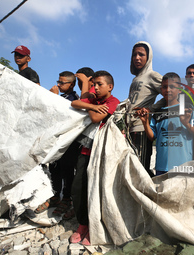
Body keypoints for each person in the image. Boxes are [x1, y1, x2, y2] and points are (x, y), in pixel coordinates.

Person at [70, 70, 120, 245]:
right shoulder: (93, 101)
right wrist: (91, 104)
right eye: (94, 84)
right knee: (79, 189)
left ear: (110, 87)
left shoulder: (113, 101)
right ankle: (83, 224)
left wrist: (91, 106)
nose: (95, 87)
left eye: (100, 84)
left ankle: (95, 227)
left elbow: (95, 118)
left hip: (102, 154)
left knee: (97, 191)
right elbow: (75, 102)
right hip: (85, 152)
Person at [35, 71, 80, 217]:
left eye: (62, 83)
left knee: (67, 170)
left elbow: (65, 114)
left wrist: (52, 98)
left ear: (71, 84)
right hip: (56, 141)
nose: (59, 85)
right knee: (54, 168)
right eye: (58, 82)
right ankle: (55, 195)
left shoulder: (74, 98)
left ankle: (66, 198)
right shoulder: (62, 97)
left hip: (68, 143)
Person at [137, 72, 194, 176]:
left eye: (172, 87)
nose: (168, 90)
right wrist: (145, 122)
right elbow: (152, 137)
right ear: (161, 90)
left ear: (180, 89)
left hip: (182, 164)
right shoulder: (157, 113)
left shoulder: (187, 109)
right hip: (162, 165)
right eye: (165, 87)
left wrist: (186, 124)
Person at [127, 41, 163, 177]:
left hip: (141, 129)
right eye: (134, 54)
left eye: (141, 54)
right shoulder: (135, 79)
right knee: (130, 168)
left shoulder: (152, 75)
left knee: (140, 170)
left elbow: (171, 92)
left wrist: (151, 108)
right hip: (129, 129)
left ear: (149, 57)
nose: (137, 57)